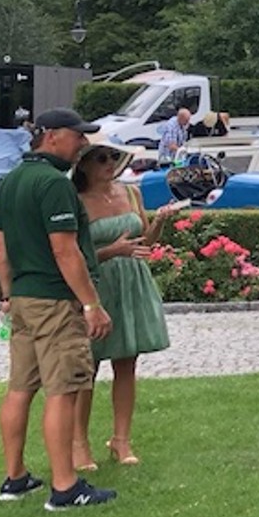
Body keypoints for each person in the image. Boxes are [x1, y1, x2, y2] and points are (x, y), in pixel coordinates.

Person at [0, 108, 117, 510]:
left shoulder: (11, 181)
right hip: (54, 301)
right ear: (51, 137)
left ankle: (15, 479)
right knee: (63, 390)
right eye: (77, 136)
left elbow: (2, 248)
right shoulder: (53, 184)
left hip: (24, 300)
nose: (83, 144)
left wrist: (9, 295)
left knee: (20, 388)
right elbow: (65, 250)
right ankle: (65, 487)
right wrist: (91, 304)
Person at [70, 141, 174, 470]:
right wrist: (111, 251)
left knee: (127, 362)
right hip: (98, 284)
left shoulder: (130, 194)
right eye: (101, 158)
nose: (109, 163)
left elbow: (144, 243)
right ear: (84, 165)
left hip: (132, 280)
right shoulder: (77, 202)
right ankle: (78, 444)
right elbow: (72, 255)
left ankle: (121, 440)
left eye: (113, 157)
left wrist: (159, 223)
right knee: (88, 366)